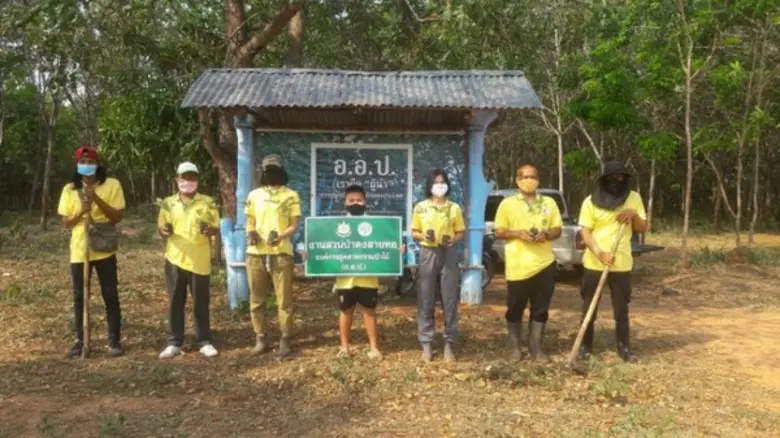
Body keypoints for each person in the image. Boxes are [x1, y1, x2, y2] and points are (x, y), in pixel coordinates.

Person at [57, 145, 126, 358]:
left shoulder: (112, 185)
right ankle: (81, 340)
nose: (87, 166)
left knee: (110, 294)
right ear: (77, 165)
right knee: (80, 296)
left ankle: (114, 340)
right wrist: (81, 210)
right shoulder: (69, 190)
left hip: (104, 248)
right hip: (80, 249)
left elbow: (117, 217)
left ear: (98, 164)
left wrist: (95, 199)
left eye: (90, 162)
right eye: (83, 162)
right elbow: (66, 223)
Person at [577, 161, 648, 363]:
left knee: (621, 309)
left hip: (621, 263)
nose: (617, 180)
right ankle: (585, 347)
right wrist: (600, 253)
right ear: (604, 179)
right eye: (612, 177)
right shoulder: (590, 201)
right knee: (589, 307)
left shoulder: (634, 198)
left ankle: (624, 349)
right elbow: (585, 232)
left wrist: (634, 215)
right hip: (594, 262)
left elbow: (643, 228)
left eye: (621, 176)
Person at [494, 165, 562, 361]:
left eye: (533, 177)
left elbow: (557, 229)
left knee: (541, 308)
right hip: (518, 266)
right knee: (515, 308)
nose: (529, 180)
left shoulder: (548, 202)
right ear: (517, 180)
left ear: (538, 180)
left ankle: (536, 347)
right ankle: (515, 348)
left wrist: (546, 234)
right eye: (525, 177)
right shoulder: (507, 204)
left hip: (545, 264)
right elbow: (499, 231)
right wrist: (517, 233)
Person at [156, 162, 220, 359]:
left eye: (192, 178)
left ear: (198, 180)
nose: (188, 182)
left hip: (199, 260)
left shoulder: (208, 202)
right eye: (184, 178)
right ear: (177, 180)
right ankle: (174, 342)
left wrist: (209, 230)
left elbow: (215, 228)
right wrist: (164, 231)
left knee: (200, 302)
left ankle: (204, 341)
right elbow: (161, 229)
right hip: (175, 258)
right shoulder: (168, 203)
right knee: (175, 301)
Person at [245, 154, 301, 357]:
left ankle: (285, 338)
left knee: (284, 299)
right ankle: (261, 338)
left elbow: (294, 225)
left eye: (274, 168)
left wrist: (280, 236)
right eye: (267, 169)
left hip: (281, 253)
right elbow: (249, 221)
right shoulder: (254, 195)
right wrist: (250, 233)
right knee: (256, 298)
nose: (270, 172)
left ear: (281, 169)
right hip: (256, 253)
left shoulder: (291, 195)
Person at [411, 169, 466, 362]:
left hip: (448, 253)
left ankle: (449, 343)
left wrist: (453, 239)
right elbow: (414, 231)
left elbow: (460, 232)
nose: (440, 185)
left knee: (449, 299)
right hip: (428, 253)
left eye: (443, 182)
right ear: (430, 185)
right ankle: (426, 343)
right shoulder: (421, 207)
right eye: (436, 182)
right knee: (425, 298)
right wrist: (422, 236)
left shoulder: (454, 208)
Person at [333, 185, 383, 360]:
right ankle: (344, 347)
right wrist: (311, 255)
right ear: (345, 203)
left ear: (365, 201)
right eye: (351, 200)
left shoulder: (376, 226)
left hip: (368, 278)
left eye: (359, 200)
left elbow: (384, 246)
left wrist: (396, 251)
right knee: (346, 310)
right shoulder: (335, 226)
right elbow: (327, 249)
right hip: (345, 279)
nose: (355, 203)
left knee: (369, 311)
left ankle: (374, 348)